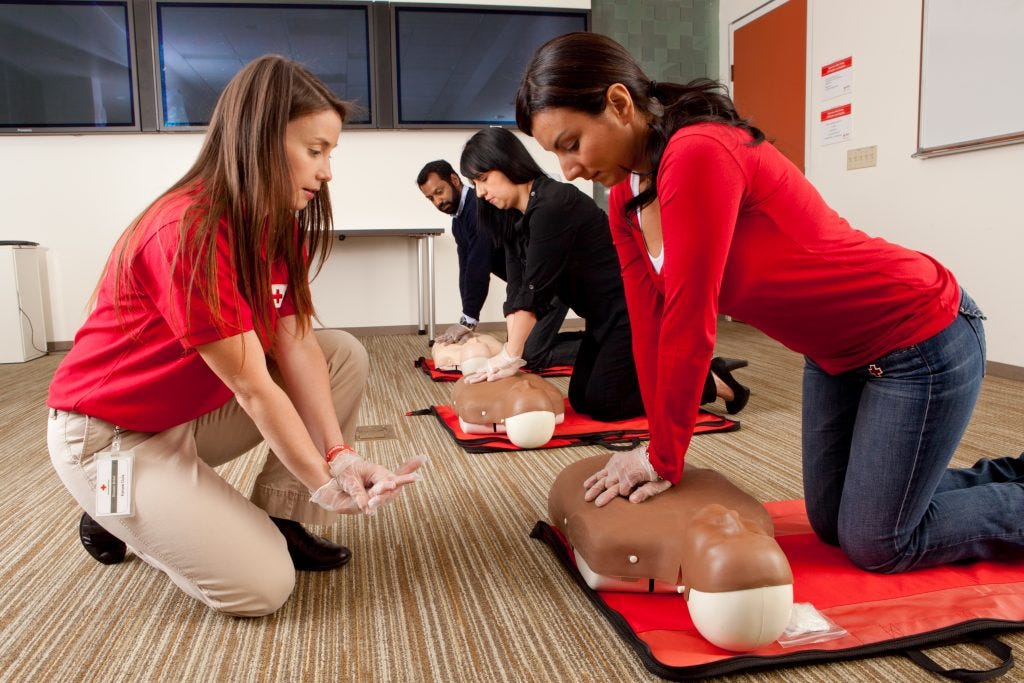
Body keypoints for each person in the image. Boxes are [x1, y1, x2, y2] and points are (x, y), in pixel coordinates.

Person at [514, 32, 1022, 573]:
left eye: (571, 144)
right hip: (835, 358)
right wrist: (651, 440)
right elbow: (651, 324)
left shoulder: (698, 151)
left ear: (618, 104)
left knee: (879, 543)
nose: (567, 170)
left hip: (919, 336)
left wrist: (665, 456)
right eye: (556, 155)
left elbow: (691, 319)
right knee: (831, 524)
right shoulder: (624, 199)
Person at [46, 55, 423, 617]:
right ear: (261, 141)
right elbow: (253, 388)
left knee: (339, 352)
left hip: (184, 416)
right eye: (315, 151)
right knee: (262, 587)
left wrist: (339, 458)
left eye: (330, 154)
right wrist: (324, 480)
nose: (327, 172)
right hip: (110, 436)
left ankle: (280, 513)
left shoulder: (275, 223)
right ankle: (112, 505)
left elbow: (295, 345)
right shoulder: (188, 230)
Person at [457, 127, 748, 422]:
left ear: (507, 163)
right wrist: (510, 352)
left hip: (632, 309)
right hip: (601, 316)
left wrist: (510, 354)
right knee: (582, 399)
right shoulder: (512, 218)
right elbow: (517, 289)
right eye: (475, 183)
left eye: (483, 179)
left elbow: (535, 291)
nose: (480, 192)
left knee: (605, 403)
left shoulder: (554, 204)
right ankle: (665, 370)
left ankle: (709, 381)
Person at [416, 160, 581, 370]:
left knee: (529, 356)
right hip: (530, 286)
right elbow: (466, 269)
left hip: (551, 283)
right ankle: (596, 337)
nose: (438, 201)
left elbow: (478, 266)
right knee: (518, 346)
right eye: (431, 198)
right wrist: (466, 317)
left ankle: (605, 345)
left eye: (439, 192)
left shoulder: (478, 208)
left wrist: (468, 319)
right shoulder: (459, 220)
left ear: (455, 180)